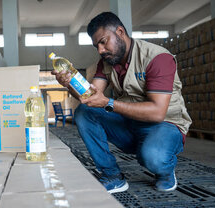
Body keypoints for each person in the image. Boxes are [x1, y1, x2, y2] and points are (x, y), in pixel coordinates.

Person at [51, 12, 192, 193]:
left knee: (153, 157)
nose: (100, 50)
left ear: (119, 32)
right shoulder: (107, 62)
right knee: (85, 111)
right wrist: (69, 84)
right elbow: (90, 97)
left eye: (103, 42)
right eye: (96, 46)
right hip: (130, 124)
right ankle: (112, 176)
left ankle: (165, 170)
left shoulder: (157, 58)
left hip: (165, 125)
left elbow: (157, 113)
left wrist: (108, 103)